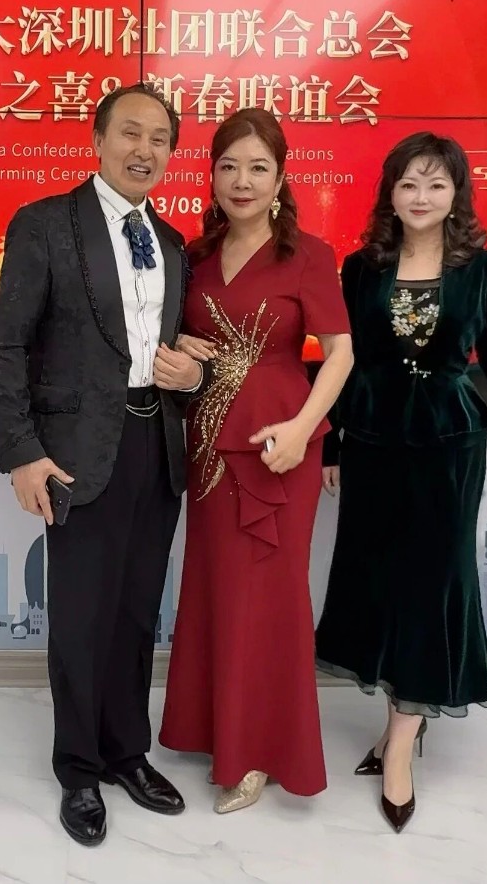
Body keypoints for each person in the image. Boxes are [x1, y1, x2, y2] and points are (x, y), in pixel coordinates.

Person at [313, 132, 487, 834]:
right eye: (408, 184)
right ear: (389, 194)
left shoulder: (482, 269)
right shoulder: (361, 268)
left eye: (436, 184)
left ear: (457, 194)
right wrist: (331, 440)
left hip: (449, 447)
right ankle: (403, 714)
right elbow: (341, 362)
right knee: (377, 580)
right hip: (371, 441)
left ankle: (401, 741)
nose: (421, 197)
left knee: (434, 583)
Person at [0, 82, 210, 849]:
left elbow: (174, 350)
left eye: (160, 139)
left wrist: (195, 376)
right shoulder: (46, 224)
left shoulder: (173, 243)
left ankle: (125, 752)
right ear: (99, 139)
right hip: (77, 454)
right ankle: (79, 768)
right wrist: (20, 452)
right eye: (130, 133)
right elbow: (8, 348)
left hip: (157, 445)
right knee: (82, 618)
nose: (145, 150)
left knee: (137, 614)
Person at [160, 108, 353, 814]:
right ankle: (217, 731)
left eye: (258, 168)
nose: (242, 180)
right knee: (215, 586)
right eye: (229, 166)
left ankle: (260, 752)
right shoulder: (195, 255)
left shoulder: (308, 255)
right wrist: (186, 348)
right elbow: (177, 339)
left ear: (280, 179)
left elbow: (341, 353)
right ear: (212, 176)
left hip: (281, 446)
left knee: (270, 597)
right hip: (209, 444)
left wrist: (304, 430)